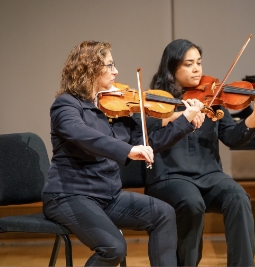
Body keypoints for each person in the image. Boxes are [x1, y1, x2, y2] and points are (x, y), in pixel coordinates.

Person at [42, 40, 205, 266]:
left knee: (163, 214)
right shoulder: (66, 106)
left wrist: (184, 122)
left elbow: (148, 143)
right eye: (109, 65)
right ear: (89, 68)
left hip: (108, 196)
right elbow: (83, 136)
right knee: (113, 248)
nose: (116, 71)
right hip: (69, 195)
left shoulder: (118, 107)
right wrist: (128, 150)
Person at [144, 38, 255, 266]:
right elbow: (151, 138)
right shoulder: (158, 100)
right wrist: (182, 115)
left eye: (199, 62)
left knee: (238, 197)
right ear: (172, 67)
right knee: (191, 202)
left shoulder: (212, 97)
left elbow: (233, 137)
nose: (196, 69)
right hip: (170, 177)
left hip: (209, 175)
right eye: (188, 64)